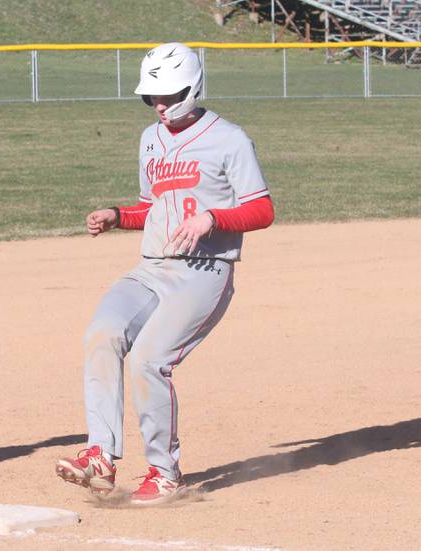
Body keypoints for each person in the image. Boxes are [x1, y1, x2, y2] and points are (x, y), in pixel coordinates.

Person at [55, 43, 274, 505]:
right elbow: (152, 208)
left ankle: (164, 472)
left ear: (193, 87)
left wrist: (214, 219)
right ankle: (100, 456)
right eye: (149, 97)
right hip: (152, 268)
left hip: (203, 273)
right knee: (102, 334)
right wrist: (117, 215)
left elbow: (262, 208)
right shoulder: (150, 139)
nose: (159, 105)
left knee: (148, 361)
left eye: (168, 95)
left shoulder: (229, 139)